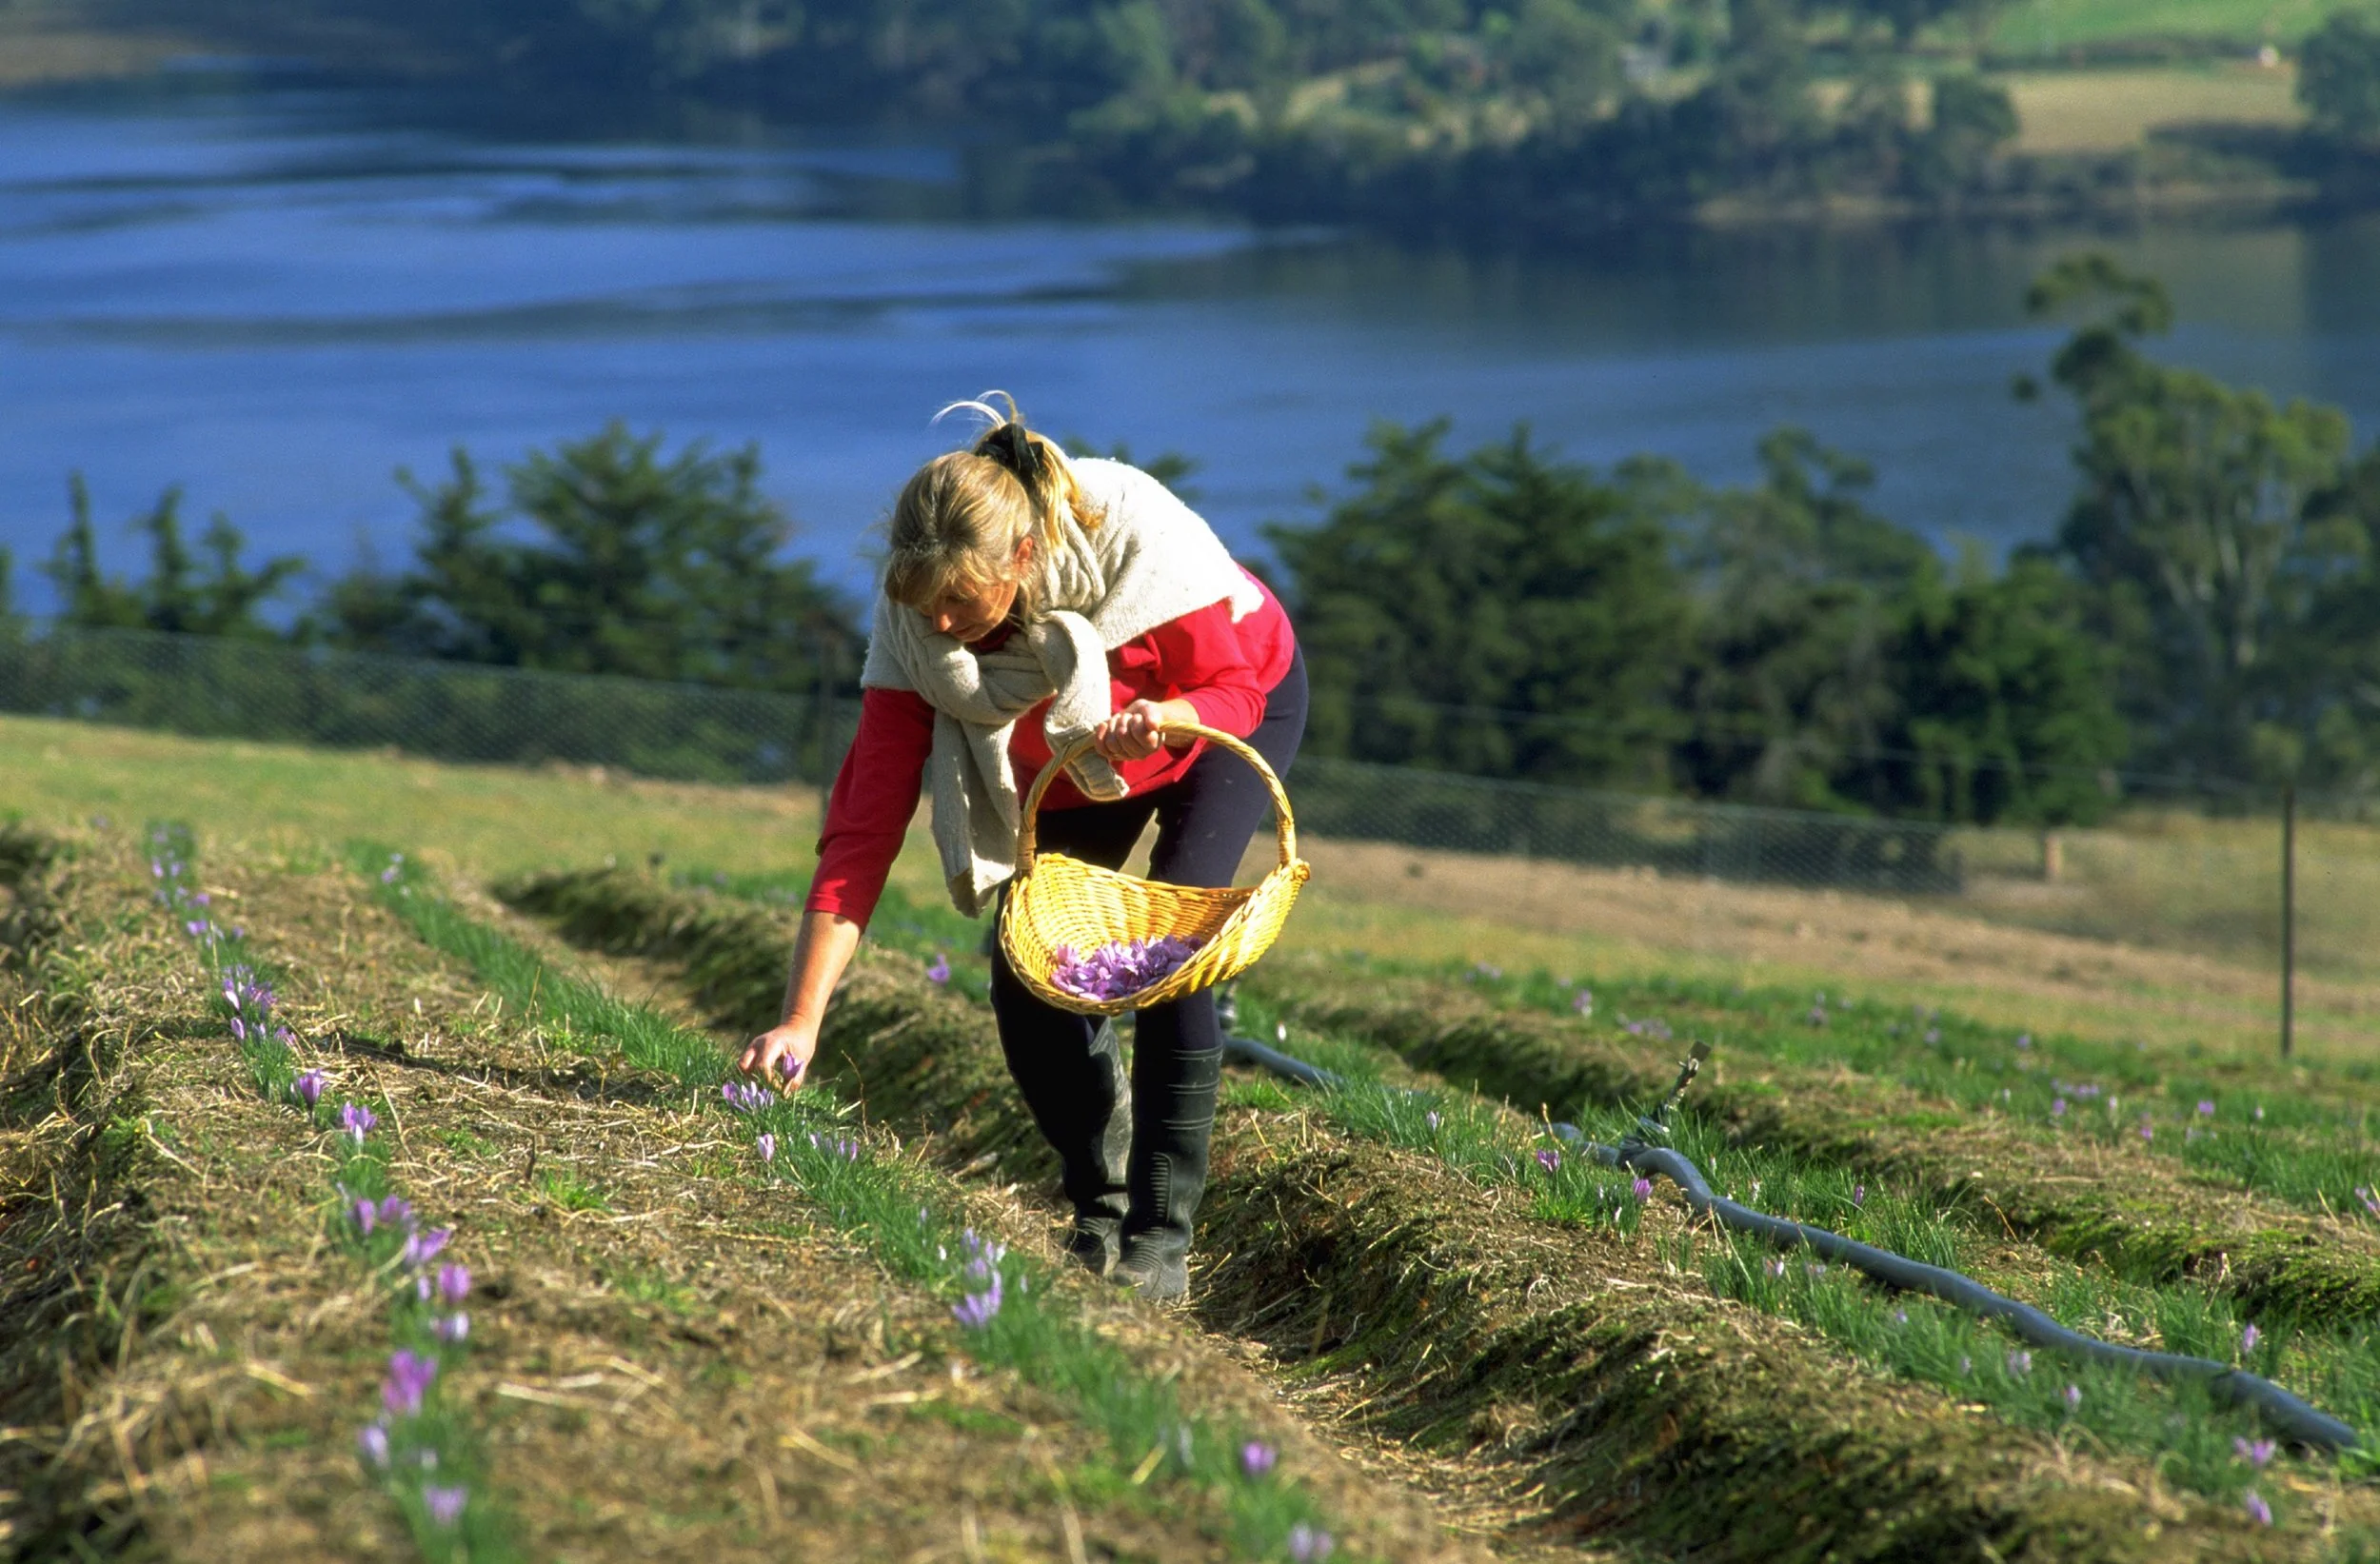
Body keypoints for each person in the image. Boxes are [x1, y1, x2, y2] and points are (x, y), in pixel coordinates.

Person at [738, 399, 1305, 1299]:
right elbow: (862, 833)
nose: (940, 624)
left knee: (1176, 942)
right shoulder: (915, 633)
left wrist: (1167, 716)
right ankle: (1100, 1203)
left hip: (1221, 712)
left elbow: (1232, 687)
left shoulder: (1134, 540)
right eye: (923, 602)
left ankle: (1162, 1237)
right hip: (1079, 756)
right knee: (1025, 967)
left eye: (959, 601)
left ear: (1025, 558)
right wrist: (801, 1020)